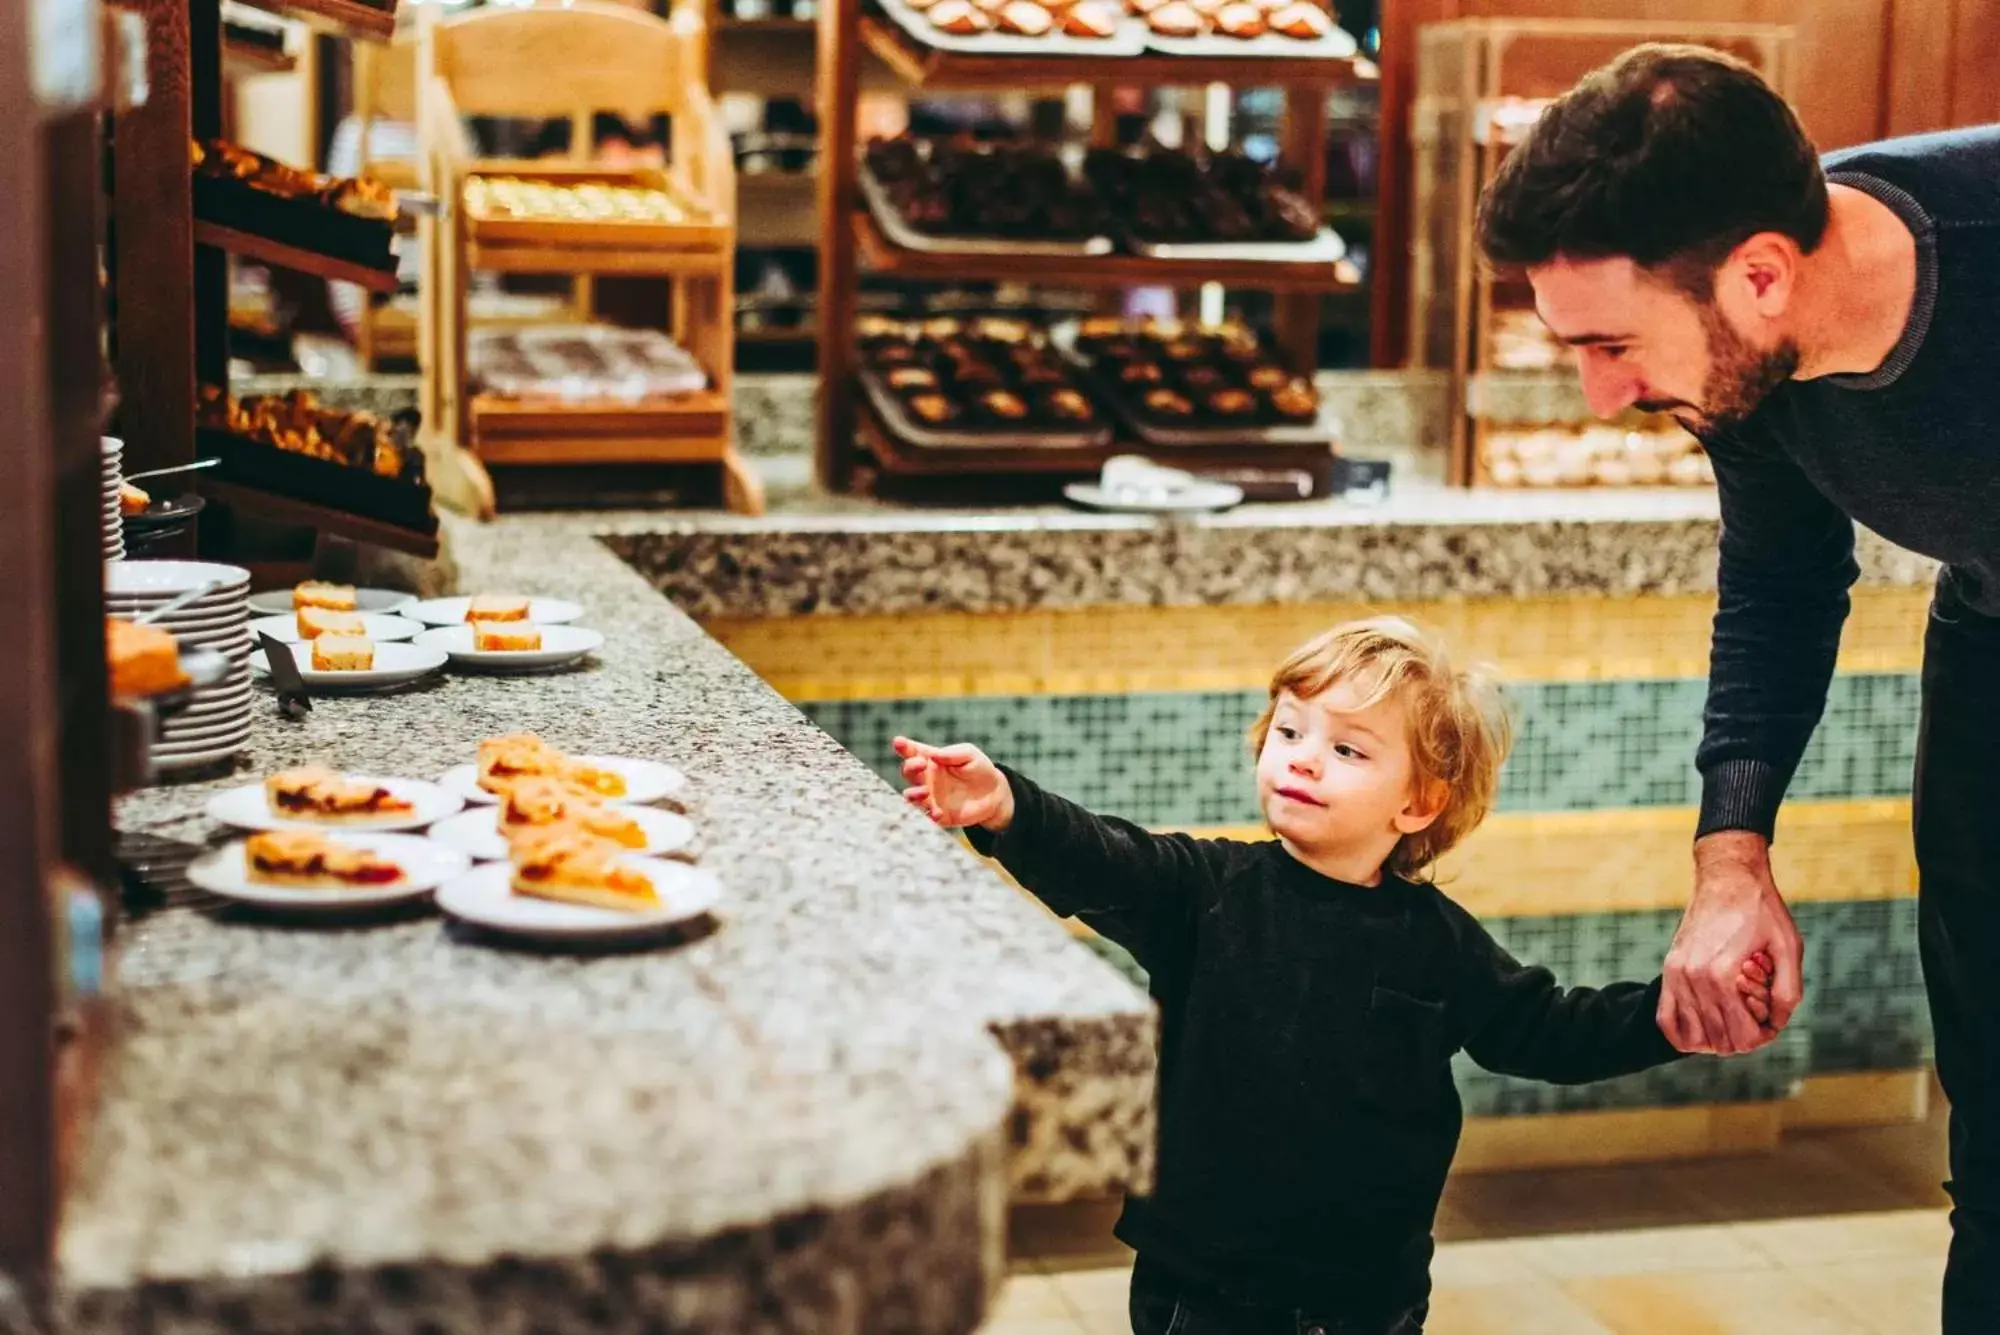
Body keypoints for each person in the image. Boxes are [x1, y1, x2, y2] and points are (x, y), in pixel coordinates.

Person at [1474, 44, 2000, 1330]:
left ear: (1760, 274)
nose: (1602, 397)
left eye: (1611, 345)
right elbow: (1776, 584)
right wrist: (1730, 860)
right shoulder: (1749, 372)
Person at [895, 618, 1772, 1334]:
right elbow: (1107, 858)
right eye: (1288, 731)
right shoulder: (1204, 892)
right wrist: (1005, 805)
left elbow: (1544, 1028)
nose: (1304, 758)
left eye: (1349, 750)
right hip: (1203, 1292)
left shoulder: (1439, 943)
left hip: (1369, 1300)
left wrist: (1671, 1016)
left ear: (1419, 803)